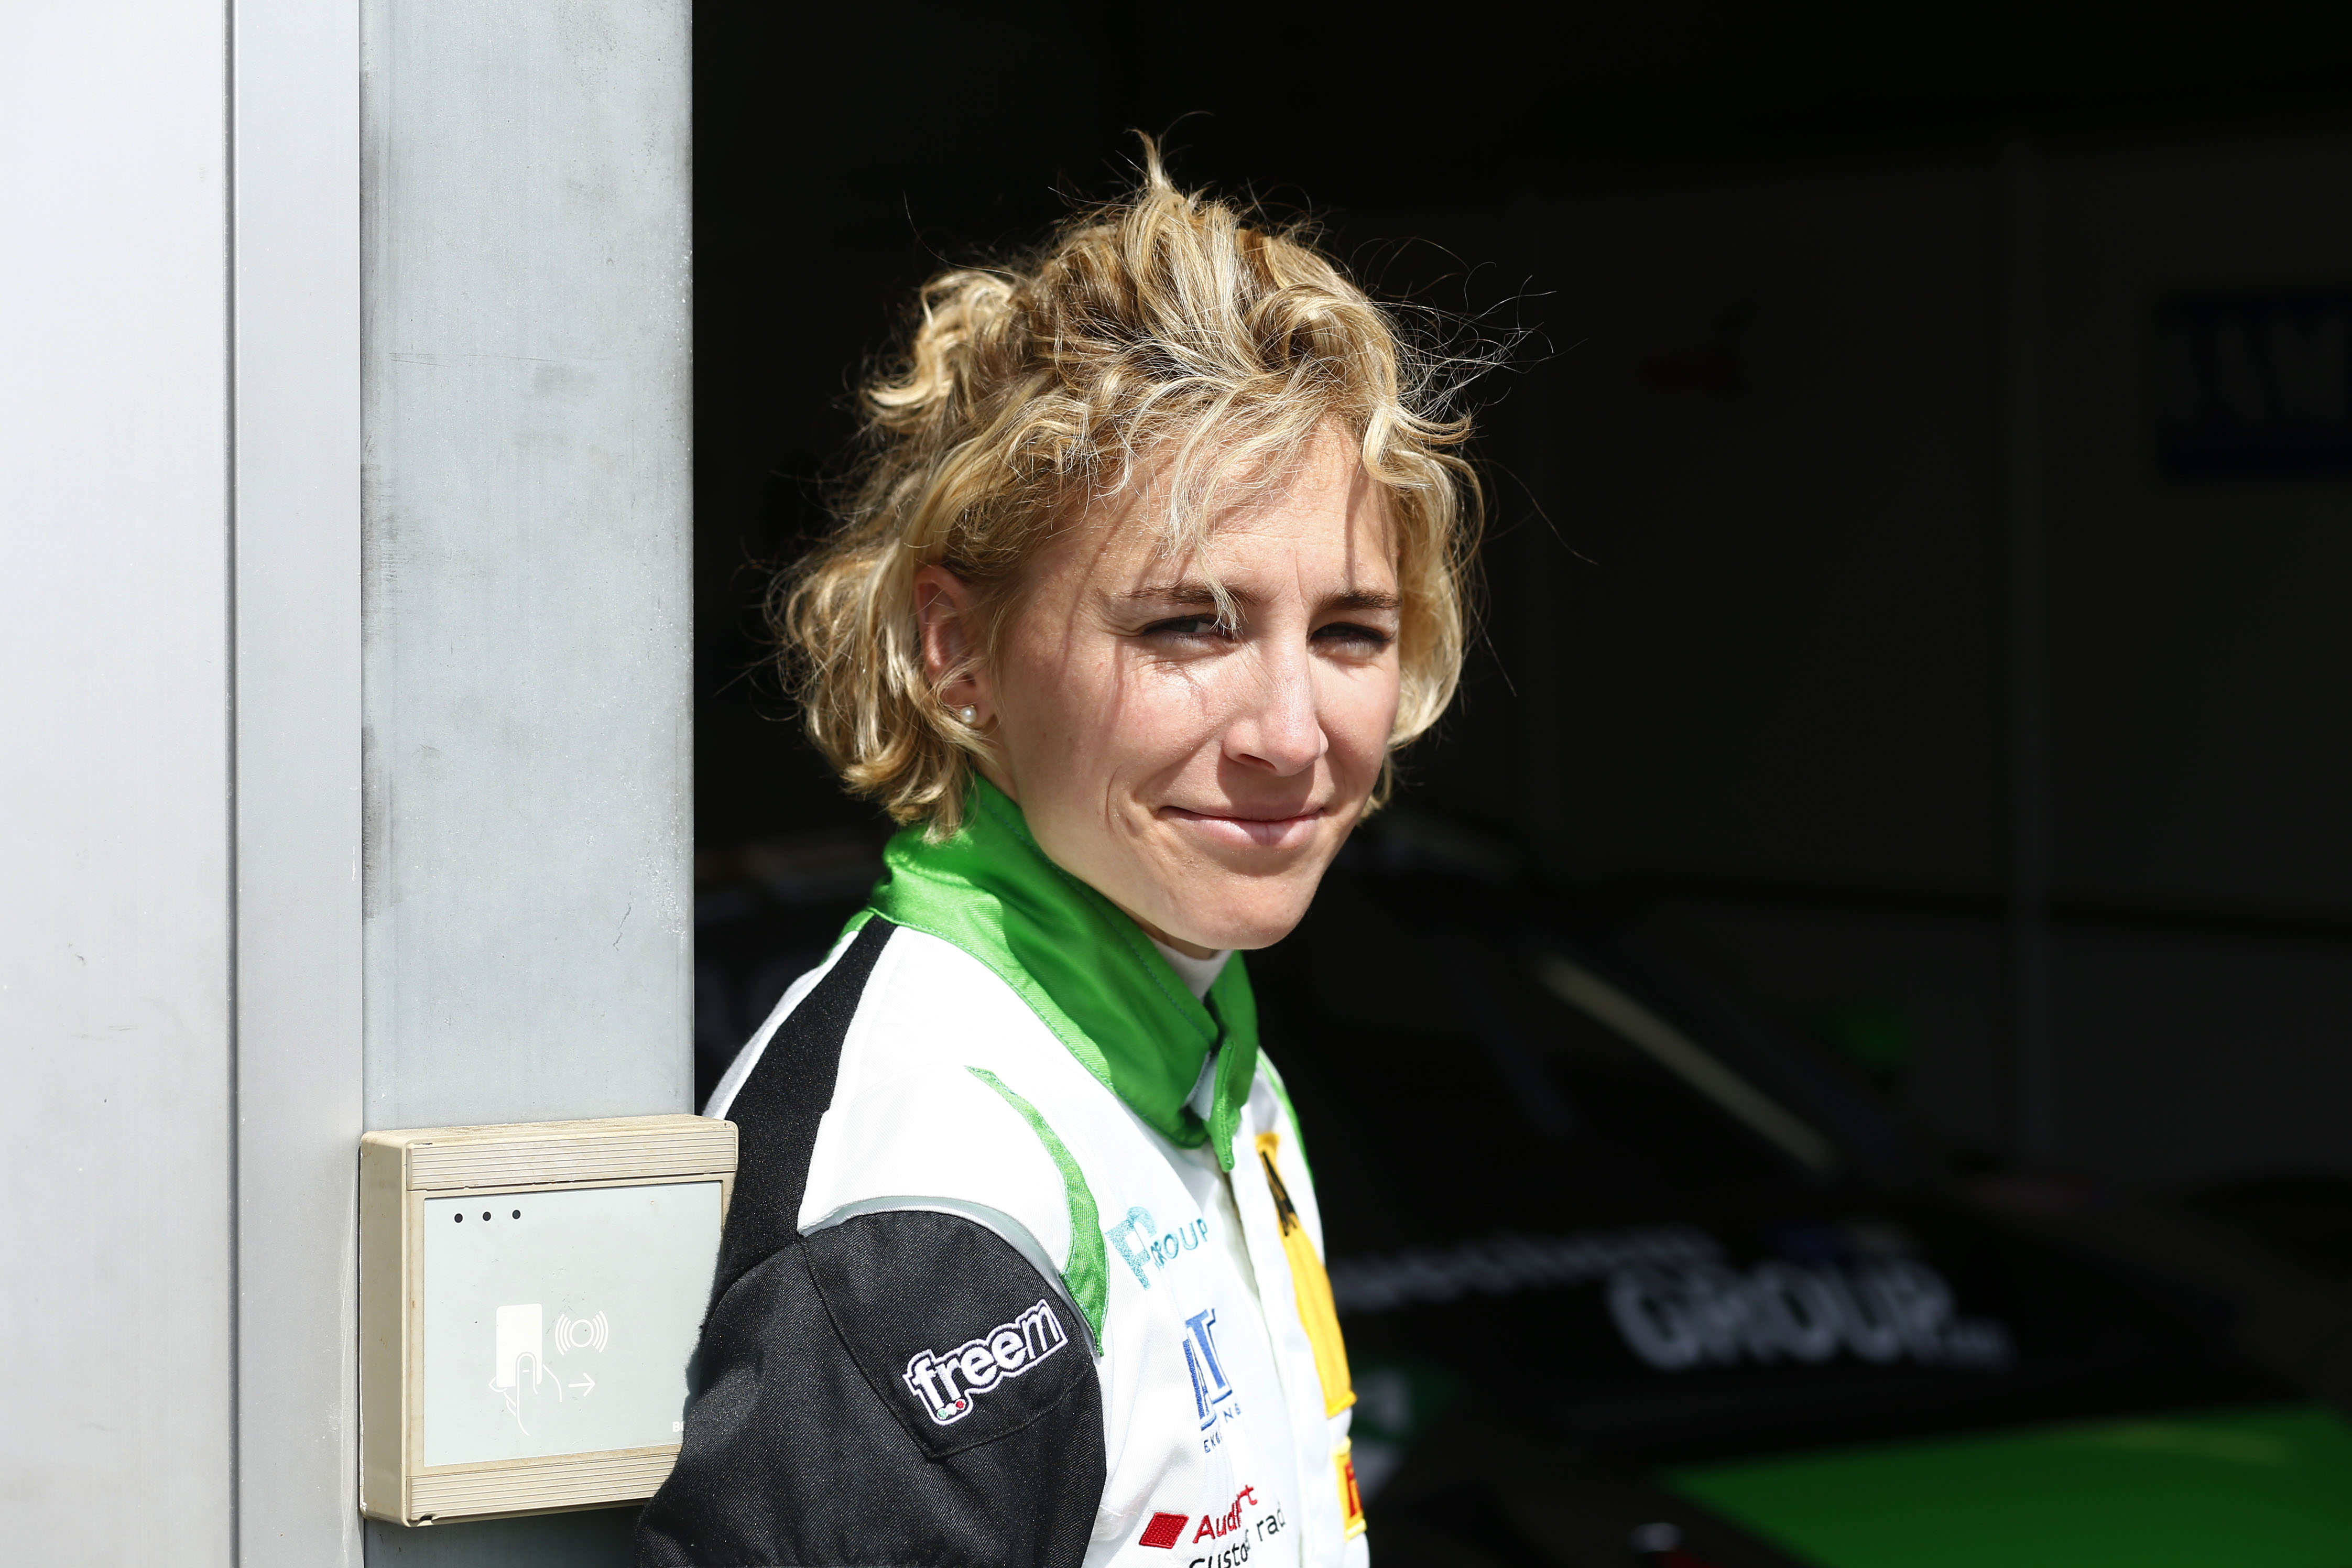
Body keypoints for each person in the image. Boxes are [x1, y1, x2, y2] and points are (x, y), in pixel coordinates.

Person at [638, 147, 1479, 1568]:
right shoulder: (941, 1185)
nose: (1292, 732)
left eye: (1350, 632)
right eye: (1187, 626)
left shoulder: (1206, 1055)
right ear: (957, 651)